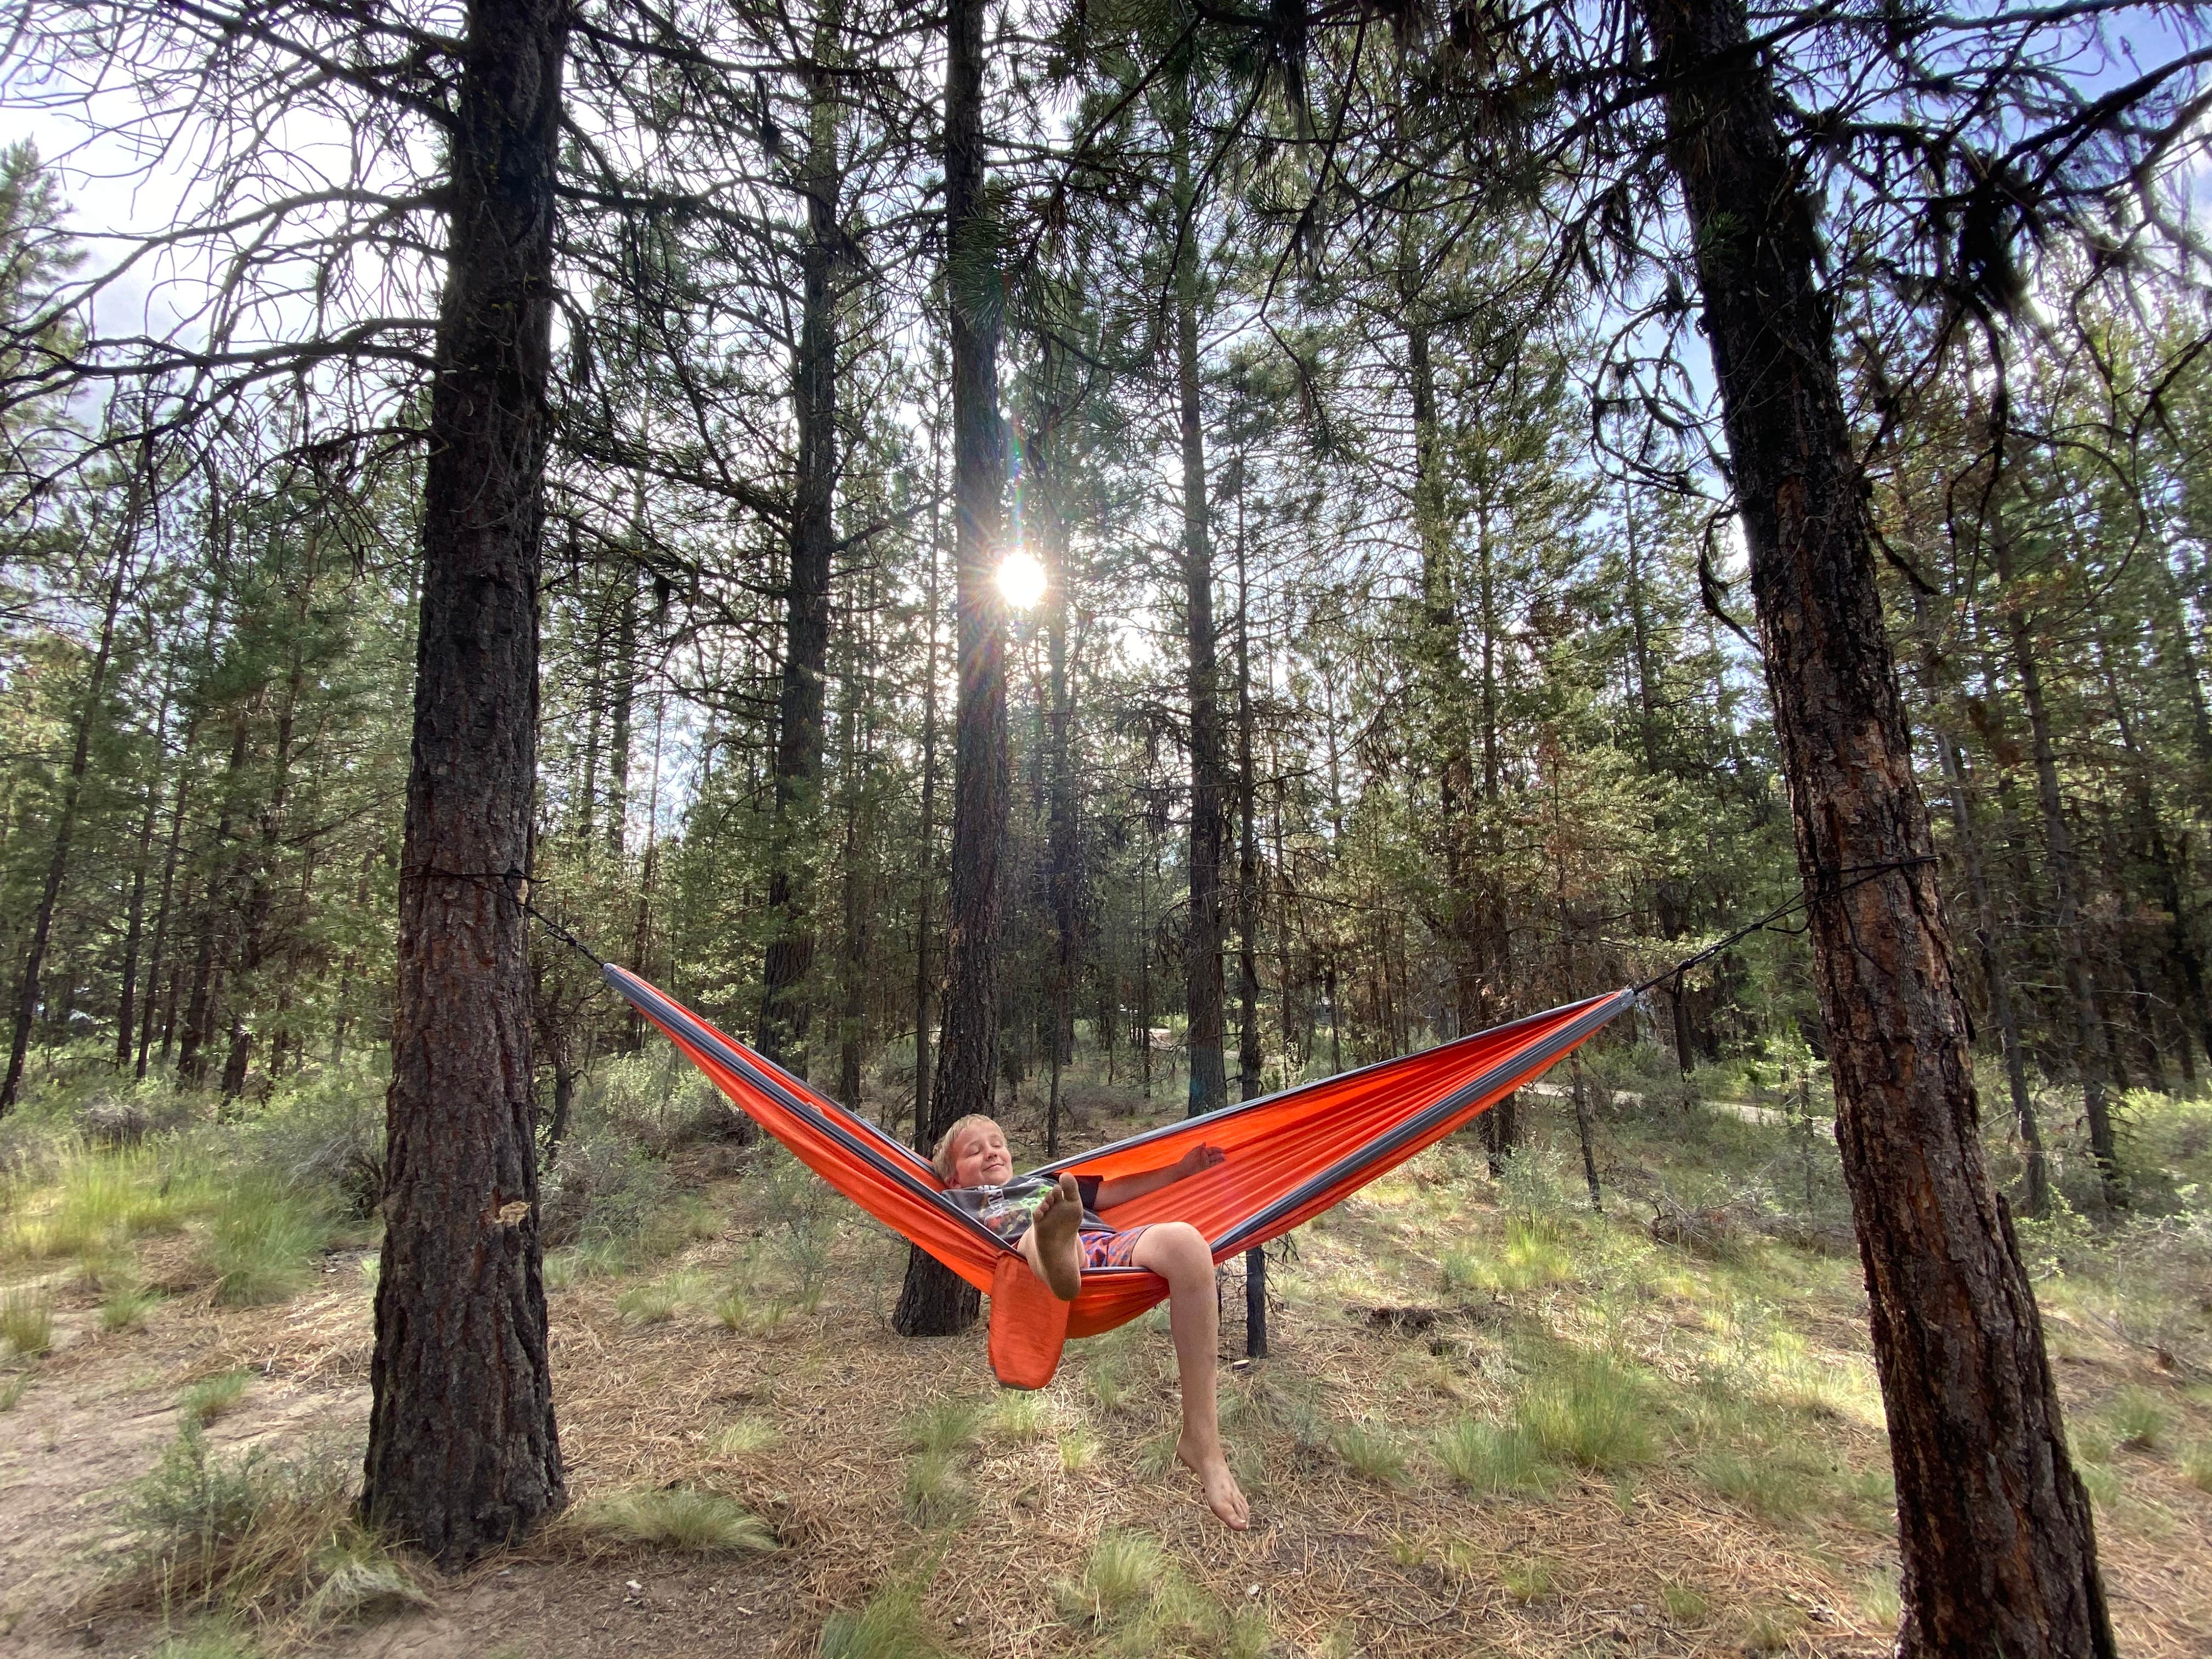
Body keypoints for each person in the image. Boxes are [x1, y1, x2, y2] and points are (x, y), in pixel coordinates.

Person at [934, 1113, 1251, 1529]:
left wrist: (1180, 1170)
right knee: (1035, 1237)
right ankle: (1058, 1249)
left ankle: (1202, 1441)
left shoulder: (1046, 1182)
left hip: (1103, 1249)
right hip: (1022, 1257)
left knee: (1189, 1245)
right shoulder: (956, 1202)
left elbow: (1115, 1193)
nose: (991, 1151)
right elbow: (899, 1191)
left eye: (997, 1143)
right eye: (974, 1151)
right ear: (955, 1180)